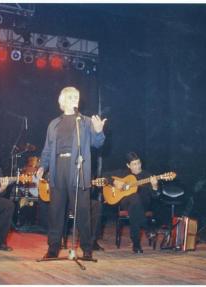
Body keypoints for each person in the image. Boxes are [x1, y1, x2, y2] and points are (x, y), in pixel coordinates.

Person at [36, 86, 107, 260]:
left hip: (78, 168)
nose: (74, 99)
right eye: (70, 97)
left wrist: (98, 132)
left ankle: (87, 249)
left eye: (76, 96)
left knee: (83, 211)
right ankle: (53, 248)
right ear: (62, 101)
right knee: (56, 210)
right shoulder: (54, 124)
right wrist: (42, 166)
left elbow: (98, 143)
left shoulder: (85, 121)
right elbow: (47, 148)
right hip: (58, 167)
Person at [102, 152, 159, 253]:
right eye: (134, 164)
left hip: (143, 203)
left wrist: (154, 186)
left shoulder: (148, 175)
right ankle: (147, 227)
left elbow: (155, 196)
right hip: (126, 203)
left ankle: (136, 243)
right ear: (128, 165)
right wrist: (114, 182)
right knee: (134, 200)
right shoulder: (123, 173)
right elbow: (104, 175)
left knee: (135, 203)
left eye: (139, 163)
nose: (138, 166)